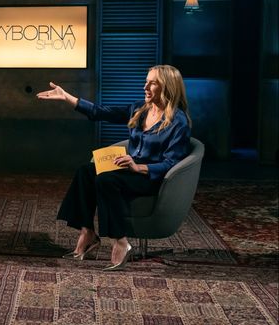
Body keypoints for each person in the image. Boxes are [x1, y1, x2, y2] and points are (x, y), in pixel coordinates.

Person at [37, 65, 191, 271]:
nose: (145, 87)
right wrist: (67, 97)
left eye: (152, 83)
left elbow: (171, 163)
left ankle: (120, 241)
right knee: (85, 172)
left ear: (168, 87)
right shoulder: (140, 109)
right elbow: (100, 112)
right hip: (129, 170)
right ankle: (87, 232)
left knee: (106, 179)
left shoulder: (178, 122)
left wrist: (138, 167)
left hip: (151, 177)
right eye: (146, 82)